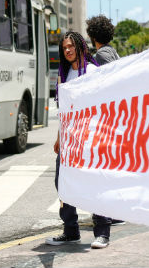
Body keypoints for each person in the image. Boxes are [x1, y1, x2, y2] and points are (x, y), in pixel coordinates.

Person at [46, 31, 113, 249]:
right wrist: (58, 137)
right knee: (62, 183)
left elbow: (103, 107)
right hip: (69, 141)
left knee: (94, 183)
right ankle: (71, 231)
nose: (67, 51)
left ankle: (102, 232)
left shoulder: (92, 72)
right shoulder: (64, 75)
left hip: (89, 139)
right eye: (64, 48)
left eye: (71, 46)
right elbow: (64, 111)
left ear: (80, 46)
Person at [85, 15, 125, 228]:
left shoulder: (101, 56)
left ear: (92, 36)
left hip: (107, 120)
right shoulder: (112, 52)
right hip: (114, 119)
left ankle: (110, 213)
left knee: (102, 168)